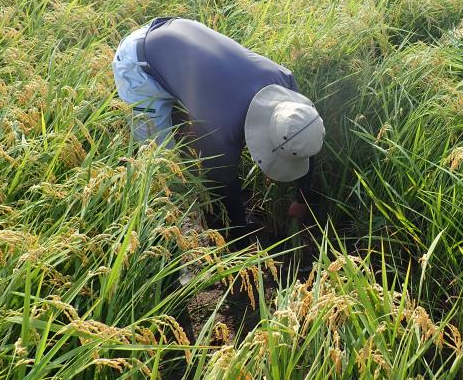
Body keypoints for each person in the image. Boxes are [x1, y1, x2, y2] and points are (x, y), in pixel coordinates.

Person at [112, 17, 325, 235]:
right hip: (138, 63)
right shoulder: (223, 126)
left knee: (192, 118)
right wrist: (240, 235)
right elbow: (223, 184)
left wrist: (303, 197)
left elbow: (304, 136)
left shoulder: (287, 85)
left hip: (180, 31)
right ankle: (175, 229)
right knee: (161, 164)